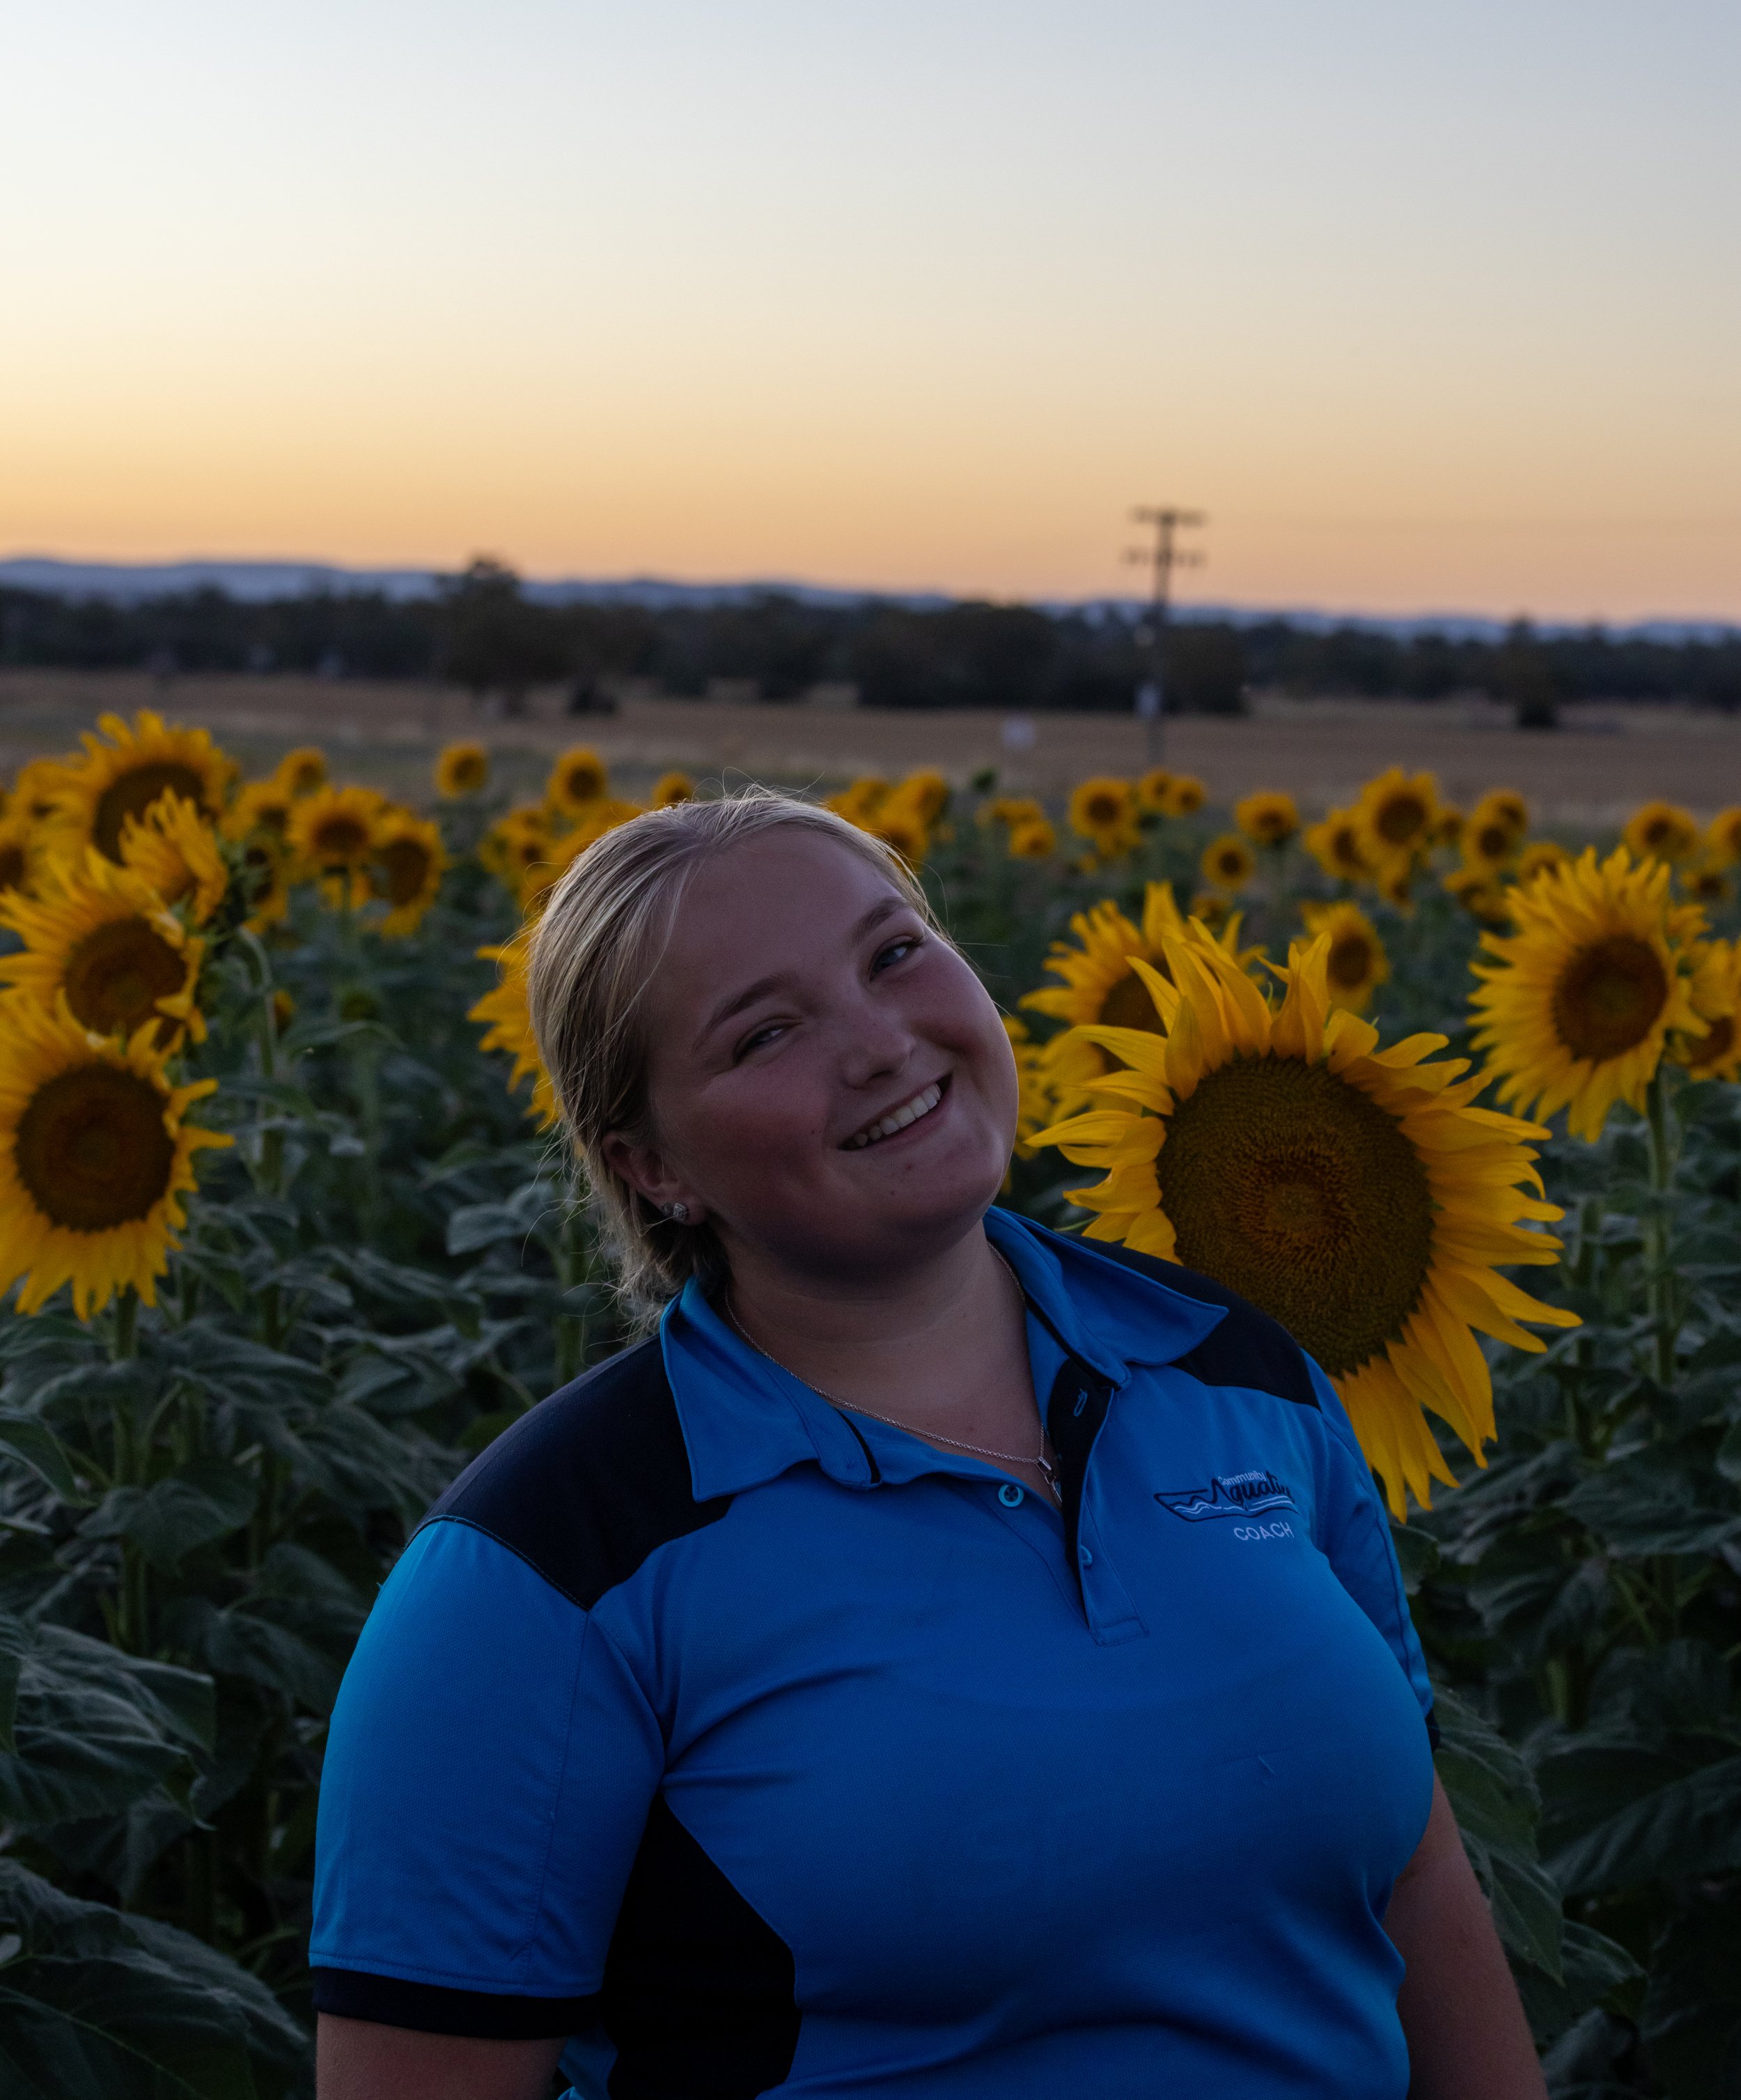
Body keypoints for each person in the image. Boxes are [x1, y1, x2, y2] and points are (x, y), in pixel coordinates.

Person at [311, 788, 1546, 2100]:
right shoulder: (552, 1563)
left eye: (893, 951)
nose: (882, 1041)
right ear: (651, 1164)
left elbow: (1412, 1867)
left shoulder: (1241, 1377)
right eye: (767, 1031)